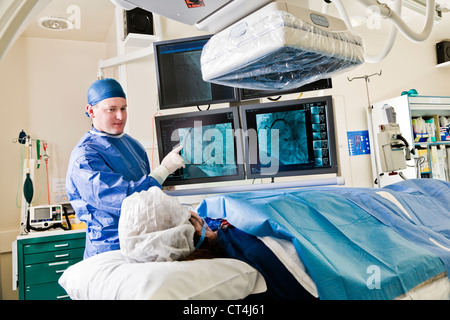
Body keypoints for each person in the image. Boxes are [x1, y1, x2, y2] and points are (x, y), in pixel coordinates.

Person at [66, 78, 185, 259]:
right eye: (111, 109)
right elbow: (127, 201)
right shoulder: (84, 158)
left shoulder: (133, 145)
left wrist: (164, 185)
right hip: (110, 249)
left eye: (123, 108)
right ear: (91, 111)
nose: (120, 116)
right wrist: (163, 171)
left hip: (145, 243)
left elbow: (146, 190)